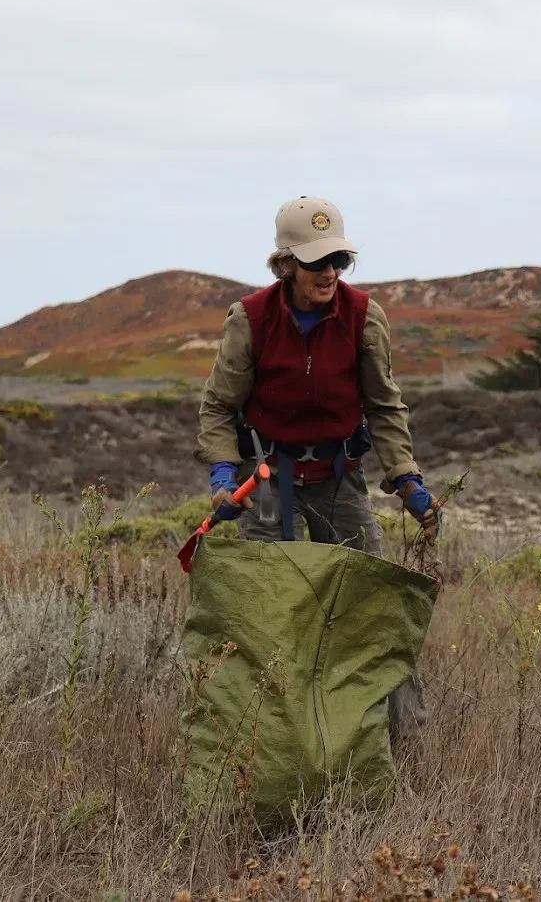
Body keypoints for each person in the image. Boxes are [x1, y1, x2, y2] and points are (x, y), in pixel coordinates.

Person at [193, 195, 441, 742]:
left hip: (341, 481)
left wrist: (406, 478)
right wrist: (222, 475)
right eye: (316, 263)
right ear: (285, 265)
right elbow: (218, 407)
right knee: (265, 620)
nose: (329, 273)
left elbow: (384, 406)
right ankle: (269, 747)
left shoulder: (364, 316)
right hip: (268, 483)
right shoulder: (250, 319)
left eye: (340, 261)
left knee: (374, 612)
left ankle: (406, 747)